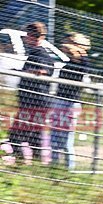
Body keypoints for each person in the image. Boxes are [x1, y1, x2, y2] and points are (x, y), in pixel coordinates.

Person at [10, 22, 55, 164]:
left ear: (29, 36)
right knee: (34, 136)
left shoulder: (40, 53)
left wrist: (24, 73)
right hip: (35, 102)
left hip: (34, 103)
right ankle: (34, 164)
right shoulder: (39, 53)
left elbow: (43, 71)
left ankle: (20, 162)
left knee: (15, 136)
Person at [50, 33, 91, 170]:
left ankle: (69, 169)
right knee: (54, 138)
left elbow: (80, 61)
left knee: (67, 140)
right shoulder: (69, 62)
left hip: (70, 103)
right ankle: (54, 167)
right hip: (59, 100)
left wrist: (70, 46)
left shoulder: (83, 62)